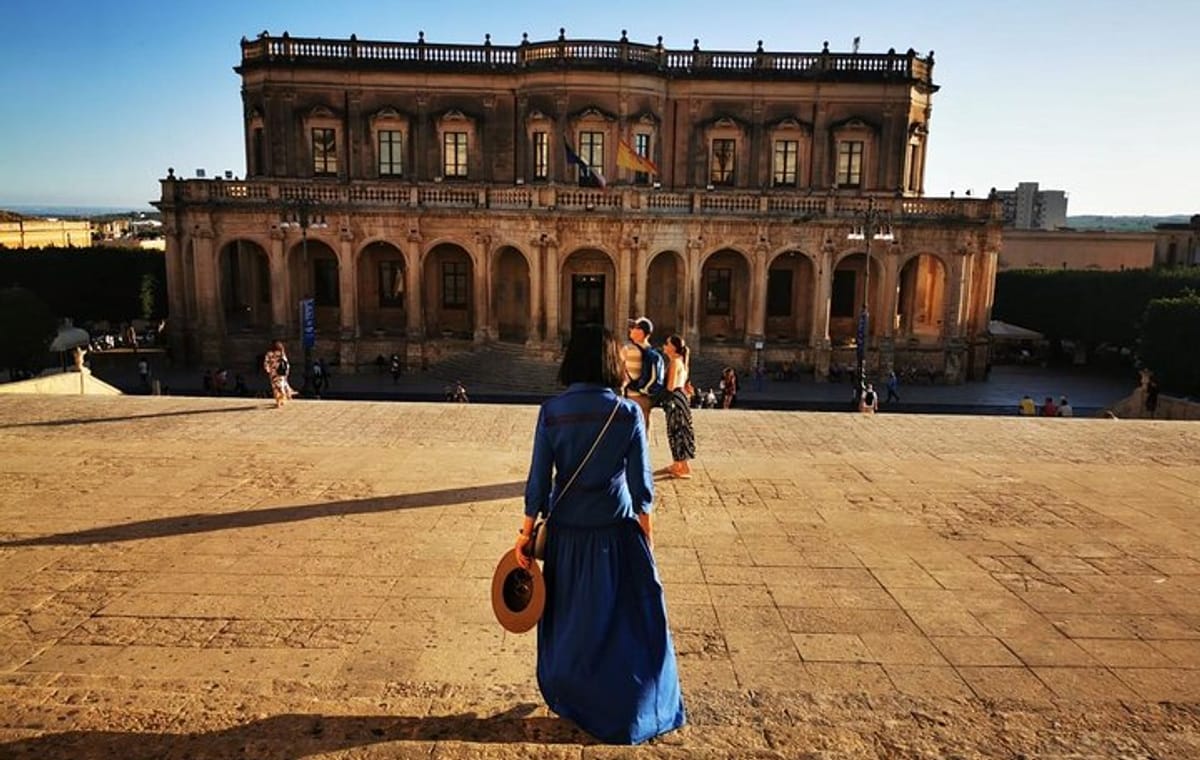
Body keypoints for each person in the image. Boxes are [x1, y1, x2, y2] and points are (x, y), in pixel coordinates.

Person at [515, 324, 685, 745]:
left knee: (571, 619)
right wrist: (647, 539)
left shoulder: (552, 412)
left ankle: (572, 692)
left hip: (567, 535)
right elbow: (641, 487)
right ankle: (626, 699)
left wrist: (525, 535)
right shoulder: (626, 414)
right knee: (620, 620)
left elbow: (538, 481)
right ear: (613, 362)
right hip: (614, 531)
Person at [662, 335, 696, 479]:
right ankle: (677, 464)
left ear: (673, 347)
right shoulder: (680, 361)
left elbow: (670, 386)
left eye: (667, 343)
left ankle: (684, 467)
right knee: (679, 430)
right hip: (680, 398)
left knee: (677, 432)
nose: (664, 345)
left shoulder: (675, 362)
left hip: (674, 399)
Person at [621, 317, 660, 431]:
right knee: (644, 429)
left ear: (641, 332)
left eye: (634, 327)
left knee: (631, 431)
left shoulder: (628, 350)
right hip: (646, 396)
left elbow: (618, 370)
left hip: (632, 396)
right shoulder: (651, 351)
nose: (630, 330)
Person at [262, 340, 294, 408]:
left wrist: (268, 369)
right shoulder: (281, 353)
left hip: (273, 373)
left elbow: (266, 362)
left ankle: (279, 400)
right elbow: (286, 363)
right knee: (280, 386)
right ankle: (282, 398)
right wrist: (287, 371)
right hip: (280, 372)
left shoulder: (269, 354)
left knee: (275, 387)